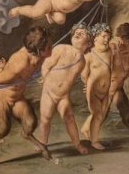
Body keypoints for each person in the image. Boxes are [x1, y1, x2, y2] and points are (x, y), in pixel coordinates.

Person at [0, 25, 49, 169]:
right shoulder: (20, 61)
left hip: (17, 96)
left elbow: (48, 61)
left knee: (30, 123)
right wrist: (1, 68)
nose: (49, 48)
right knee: (2, 129)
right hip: (3, 97)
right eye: (46, 46)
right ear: (37, 49)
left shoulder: (39, 55)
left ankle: (28, 137)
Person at [38, 24, 91, 156]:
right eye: (76, 33)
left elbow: (82, 76)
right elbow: (46, 65)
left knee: (70, 118)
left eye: (82, 33)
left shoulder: (82, 62)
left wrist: (87, 83)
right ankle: (42, 143)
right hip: (49, 92)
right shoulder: (62, 49)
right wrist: (45, 78)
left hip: (63, 96)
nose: (78, 34)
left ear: (88, 43)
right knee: (45, 119)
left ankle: (77, 144)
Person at [80, 21, 112, 150]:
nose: (106, 40)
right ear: (96, 37)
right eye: (104, 36)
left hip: (106, 91)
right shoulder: (89, 55)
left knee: (101, 115)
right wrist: (87, 84)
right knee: (97, 114)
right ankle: (94, 141)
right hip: (93, 90)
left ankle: (86, 130)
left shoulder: (110, 52)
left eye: (108, 38)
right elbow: (84, 74)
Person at [108, 21, 129, 141]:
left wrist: (117, 86)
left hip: (116, 87)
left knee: (125, 110)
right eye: (121, 45)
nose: (124, 49)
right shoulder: (111, 48)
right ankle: (91, 137)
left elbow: (124, 76)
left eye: (127, 46)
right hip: (104, 85)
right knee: (101, 112)